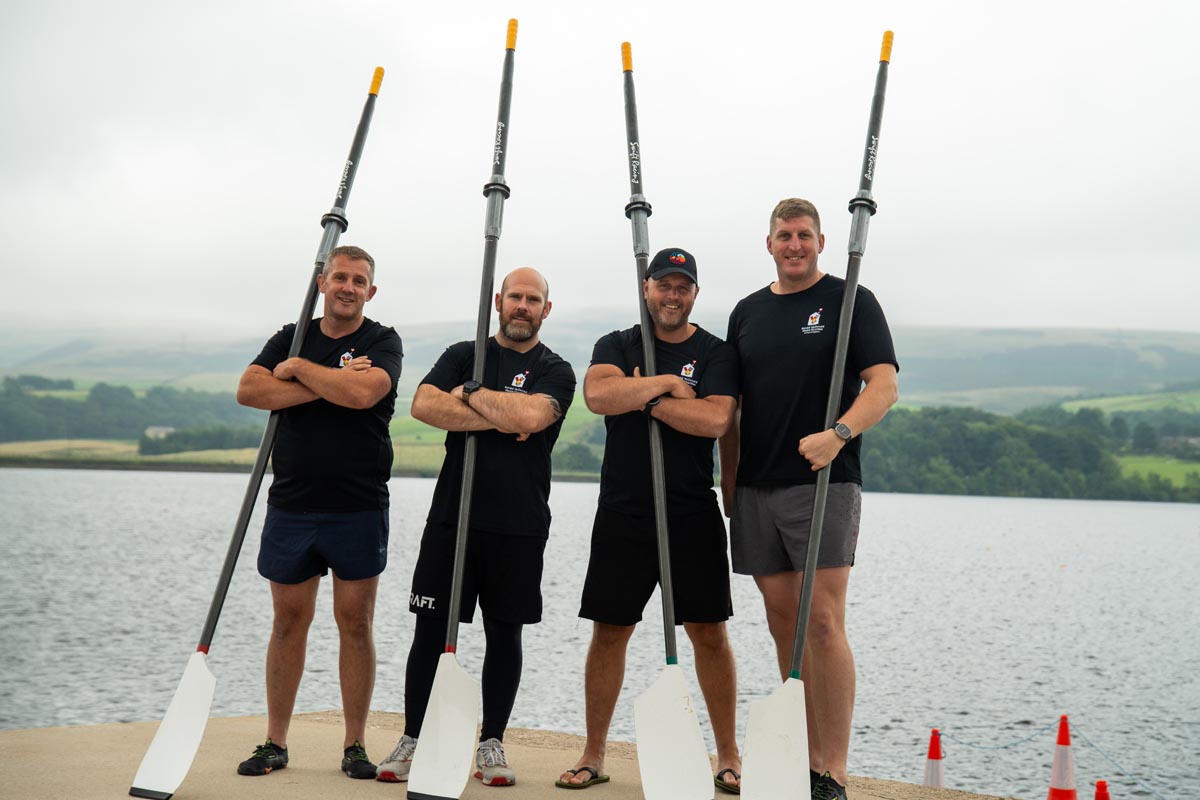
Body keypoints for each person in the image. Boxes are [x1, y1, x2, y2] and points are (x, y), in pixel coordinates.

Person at [719, 198, 898, 800]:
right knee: (781, 622)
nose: (794, 244)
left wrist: (839, 434)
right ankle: (800, 758)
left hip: (825, 480)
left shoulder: (851, 301)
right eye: (783, 235)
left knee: (821, 621)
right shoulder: (746, 312)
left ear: (821, 240)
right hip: (756, 487)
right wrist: (729, 477)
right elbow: (732, 410)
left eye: (803, 235)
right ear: (767, 243)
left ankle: (833, 770)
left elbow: (884, 385)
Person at [377, 266, 576, 788]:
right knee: (430, 632)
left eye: (534, 299)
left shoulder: (557, 368)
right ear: (498, 300)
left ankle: (491, 743)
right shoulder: (465, 353)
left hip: (519, 523)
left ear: (545, 310)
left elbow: (534, 419)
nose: (523, 306)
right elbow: (423, 404)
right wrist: (501, 413)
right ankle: (415, 737)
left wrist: (467, 397)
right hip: (452, 518)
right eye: (515, 296)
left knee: (504, 633)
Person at [557, 247, 741, 793]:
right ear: (647, 287)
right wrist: (666, 386)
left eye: (683, 286)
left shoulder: (716, 352)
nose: (673, 295)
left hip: (689, 510)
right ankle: (593, 754)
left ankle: (729, 756)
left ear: (695, 295)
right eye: (664, 284)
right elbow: (597, 395)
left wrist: (645, 397)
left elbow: (713, 419)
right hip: (624, 509)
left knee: (708, 632)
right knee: (610, 631)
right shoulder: (617, 344)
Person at [233, 244, 403, 781]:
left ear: (370, 291)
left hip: (358, 505)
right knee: (288, 621)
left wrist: (300, 373)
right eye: (340, 278)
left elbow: (364, 394)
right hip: (293, 504)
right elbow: (249, 390)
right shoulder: (290, 333)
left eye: (359, 280)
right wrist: (332, 377)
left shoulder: (382, 341)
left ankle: (354, 745)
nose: (348, 287)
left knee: (355, 622)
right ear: (322, 284)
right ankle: (275, 742)